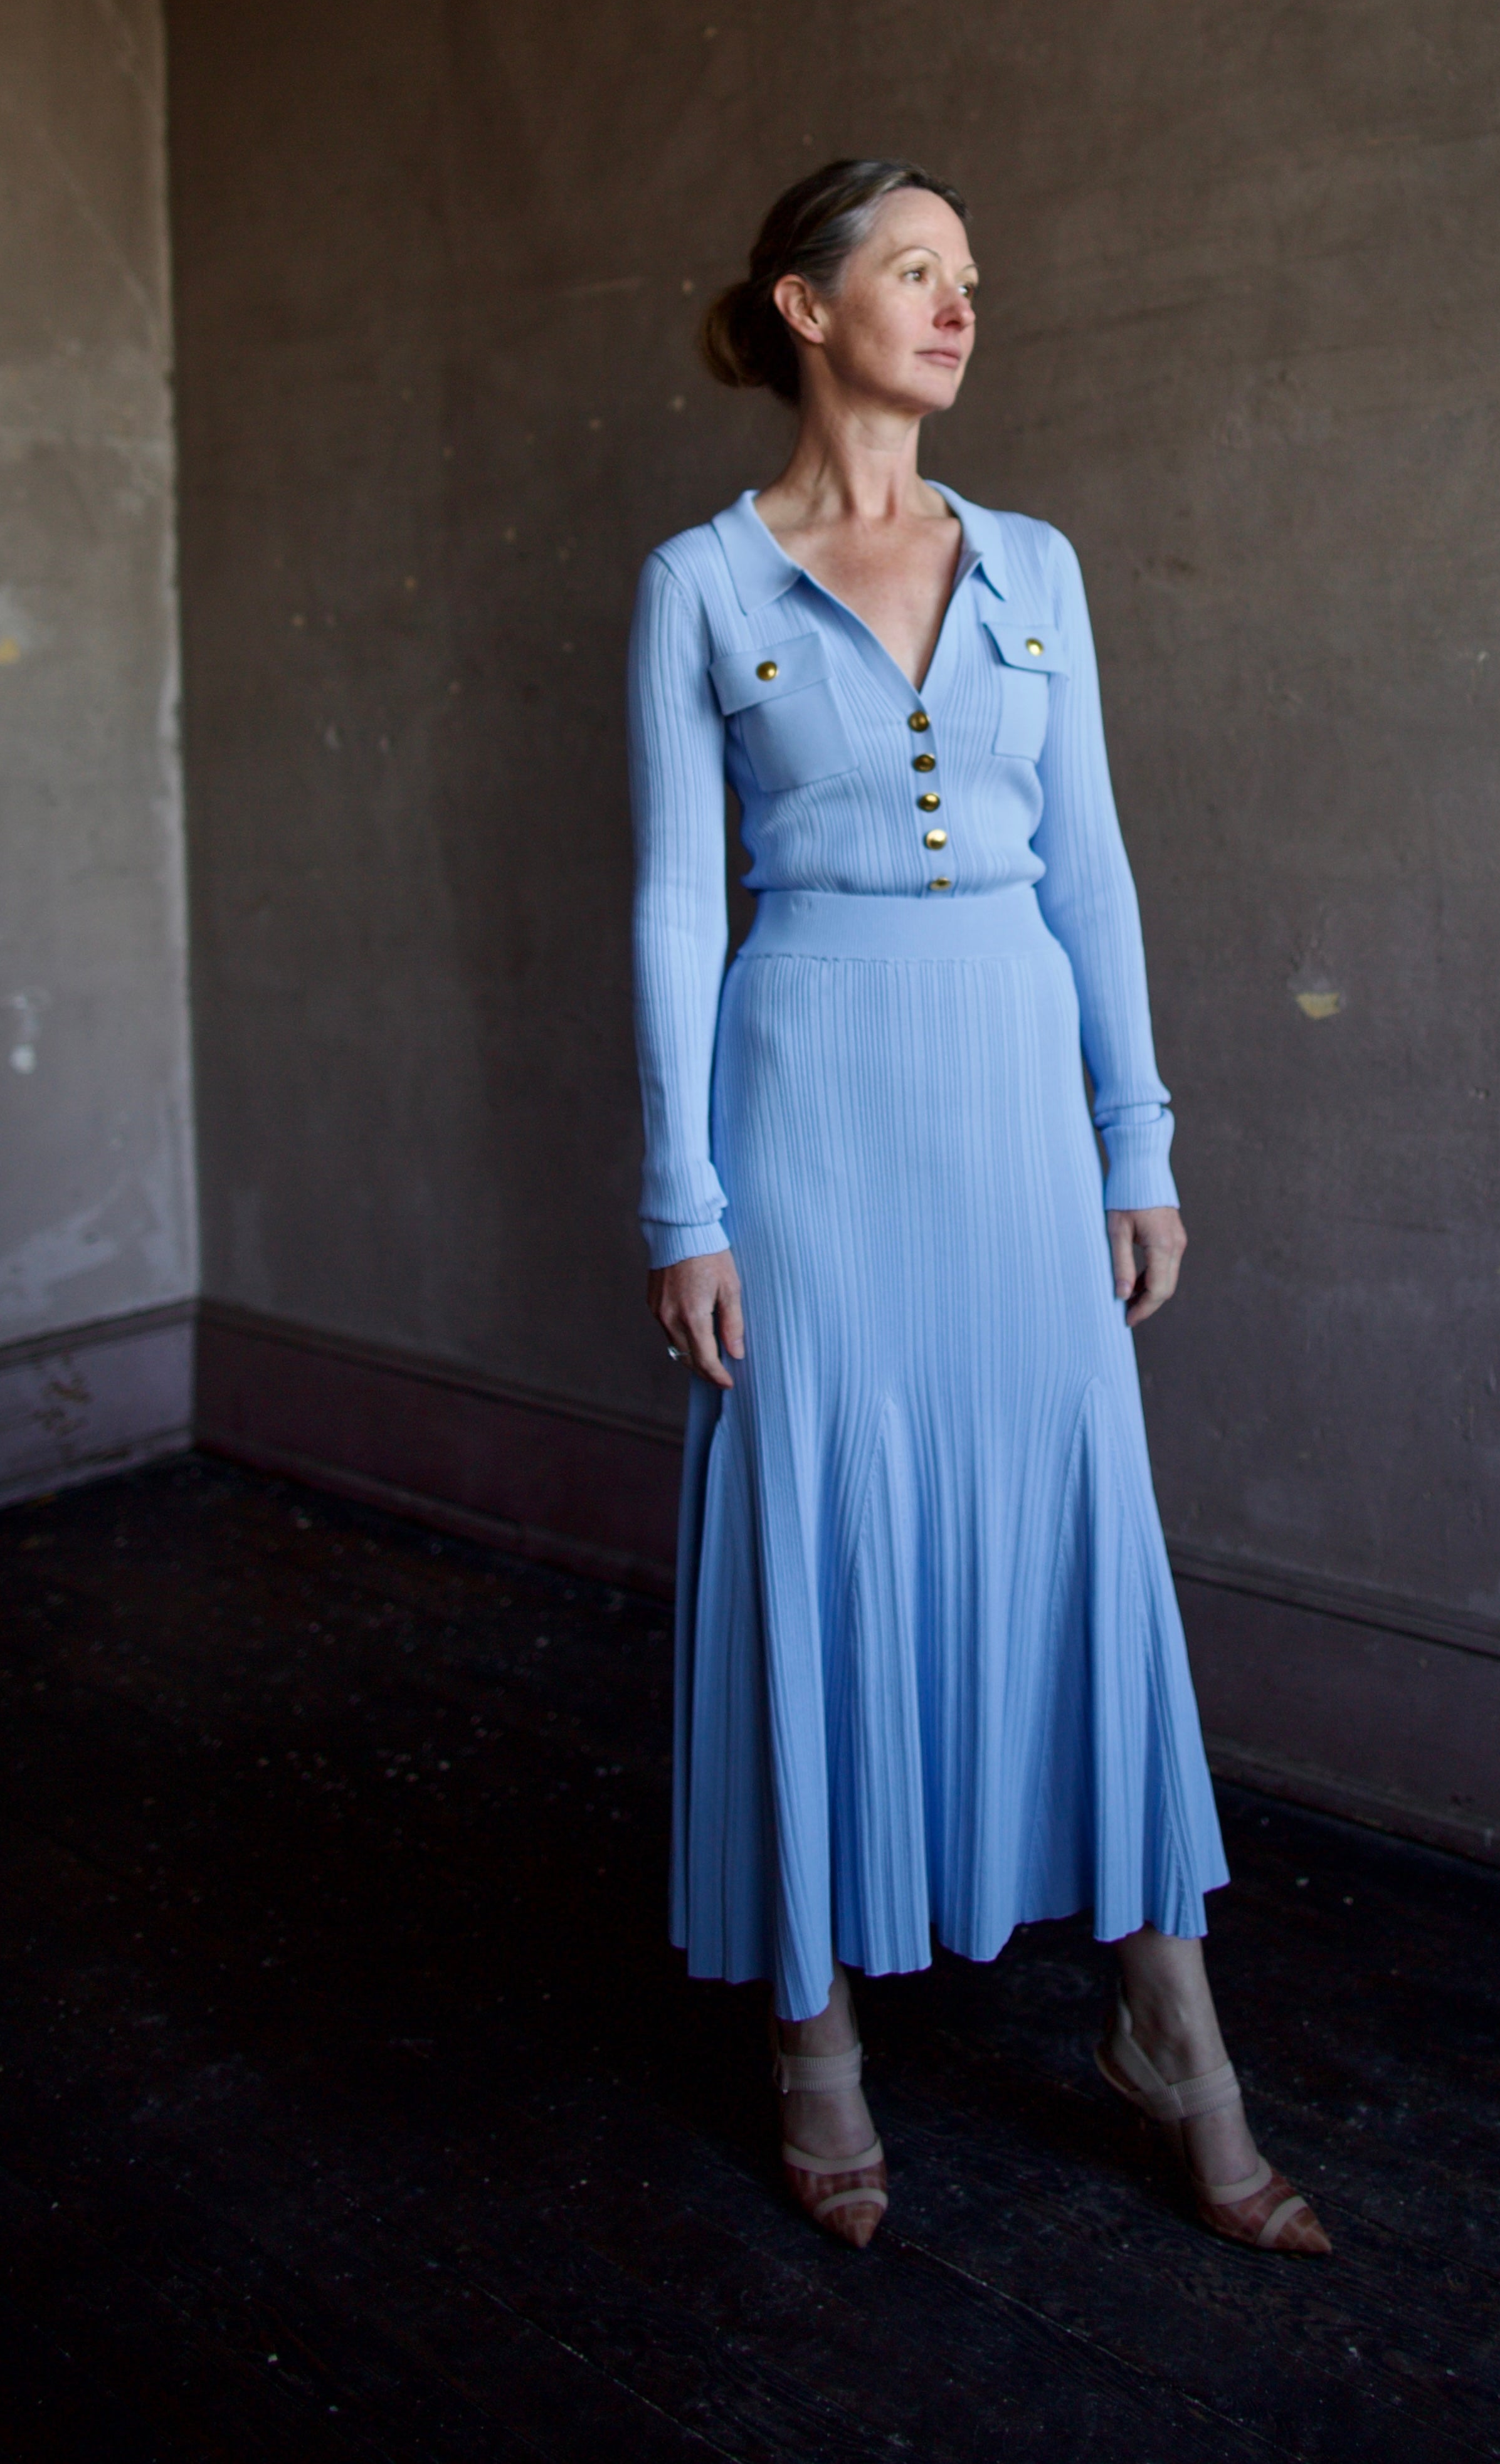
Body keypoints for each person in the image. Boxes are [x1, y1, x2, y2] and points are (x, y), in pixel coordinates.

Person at [626, 158, 1329, 2259]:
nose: (956, 306)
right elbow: (680, 894)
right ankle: (816, 2039)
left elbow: (1092, 865)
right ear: (807, 306)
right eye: (914, 273)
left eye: (968, 281)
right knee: (815, 1528)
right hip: (809, 1096)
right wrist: (684, 1195)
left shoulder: (1036, 562)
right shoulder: (703, 583)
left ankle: (1174, 2038)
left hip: (1015, 1088)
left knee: (1079, 1539)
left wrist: (1141, 1136)